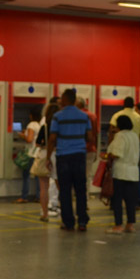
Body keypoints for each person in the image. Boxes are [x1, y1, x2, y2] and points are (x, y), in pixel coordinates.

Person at [48, 89, 93, 231]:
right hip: (79, 155)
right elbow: (90, 137)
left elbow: (52, 138)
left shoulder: (57, 116)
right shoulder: (84, 116)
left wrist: (48, 157)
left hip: (63, 156)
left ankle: (68, 222)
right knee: (80, 189)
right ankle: (82, 221)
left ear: (65, 99)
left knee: (65, 191)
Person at [105, 115, 140, 234]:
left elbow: (116, 154)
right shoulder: (134, 136)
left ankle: (118, 225)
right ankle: (130, 225)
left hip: (121, 172)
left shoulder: (120, 136)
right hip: (133, 172)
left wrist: (107, 155)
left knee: (117, 200)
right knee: (130, 201)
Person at [30, 102, 59, 222]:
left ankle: (45, 214)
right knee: (60, 186)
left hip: (44, 155)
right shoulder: (60, 126)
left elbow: (37, 143)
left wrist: (45, 145)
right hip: (57, 155)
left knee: (43, 188)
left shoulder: (45, 127)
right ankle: (64, 211)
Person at [109, 96, 140, 167]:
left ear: (123, 104)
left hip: (119, 147)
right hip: (135, 148)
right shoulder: (139, 118)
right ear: (133, 105)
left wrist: (109, 150)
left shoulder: (116, 115)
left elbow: (111, 133)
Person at [16, 106, 41, 203]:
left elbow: (29, 139)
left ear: (31, 116)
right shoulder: (39, 125)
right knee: (37, 176)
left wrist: (22, 135)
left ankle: (24, 197)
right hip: (37, 153)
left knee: (26, 175)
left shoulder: (31, 125)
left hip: (30, 153)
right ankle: (38, 196)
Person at [75, 96, 99, 188]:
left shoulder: (76, 116)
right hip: (91, 149)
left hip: (77, 149)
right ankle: (85, 194)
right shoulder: (93, 116)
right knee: (87, 174)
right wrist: (96, 150)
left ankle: (76, 193)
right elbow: (95, 134)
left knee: (76, 174)